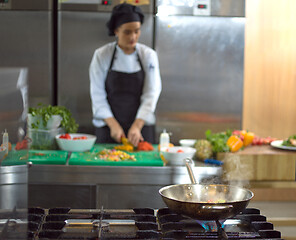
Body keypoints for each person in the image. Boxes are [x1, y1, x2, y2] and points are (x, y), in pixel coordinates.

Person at [89, 3, 162, 147]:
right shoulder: (102, 55)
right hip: (108, 127)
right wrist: (113, 125)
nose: (133, 37)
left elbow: (151, 93)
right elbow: (97, 95)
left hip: (141, 127)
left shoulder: (148, 55)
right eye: (127, 32)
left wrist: (137, 125)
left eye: (137, 31)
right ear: (116, 31)